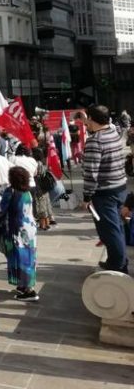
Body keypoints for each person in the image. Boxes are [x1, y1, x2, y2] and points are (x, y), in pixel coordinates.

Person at [82, 105, 129, 274]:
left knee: (109, 230)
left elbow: (91, 173)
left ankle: (117, 265)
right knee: (117, 228)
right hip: (120, 188)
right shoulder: (114, 132)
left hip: (104, 193)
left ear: (91, 118)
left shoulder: (95, 141)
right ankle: (118, 261)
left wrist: (86, 197)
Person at [0, 166, 39, 302]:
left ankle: (29, 290)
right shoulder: (28, 192)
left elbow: (2, 208)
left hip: (17, 230)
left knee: (19, 259)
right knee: (29, 258)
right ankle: (24, 285)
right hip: (29, 229)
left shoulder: (10, 191)